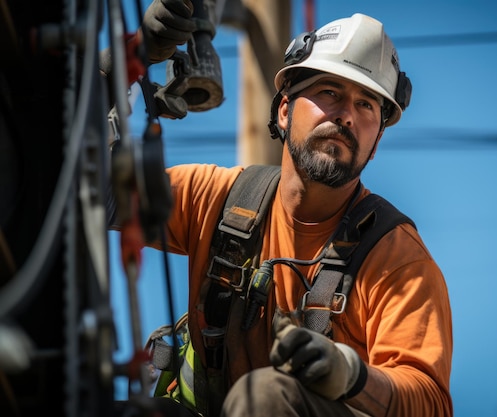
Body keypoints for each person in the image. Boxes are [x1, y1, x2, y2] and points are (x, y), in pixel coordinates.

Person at [111, 0, 453, 416]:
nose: (347, 115)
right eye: (330, 92)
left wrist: (350, 375)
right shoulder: (219, 200)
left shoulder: (397, 260)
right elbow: (86, 185)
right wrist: (126, 60)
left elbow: (429, 401)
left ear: (376, 141)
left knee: (267, 397)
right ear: (286, 110)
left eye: (367, 105)